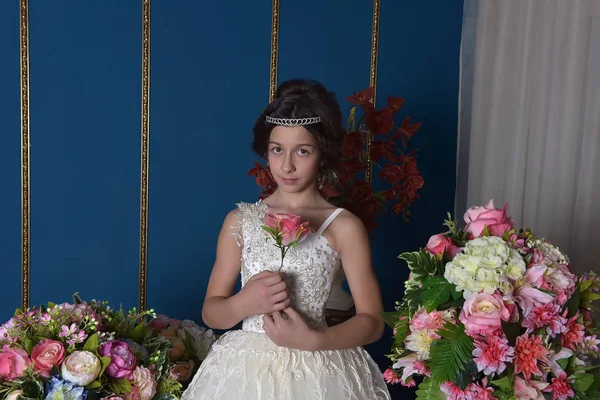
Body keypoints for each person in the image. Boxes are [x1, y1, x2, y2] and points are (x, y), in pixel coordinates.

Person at [181, 78, 391, 399]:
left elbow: (373, 321)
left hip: (318, 371)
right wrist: (242, 302)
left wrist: (316, 341)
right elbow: (212, 312)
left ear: (323, 154)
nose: (287, 165)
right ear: (266, 151)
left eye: (302, 151)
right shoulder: (240, 221)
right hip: (244, 371)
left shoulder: (344, 226)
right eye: (277, 150)